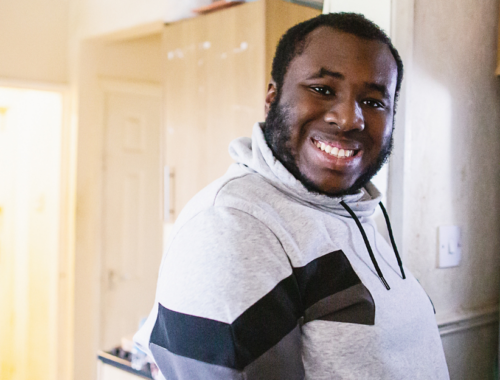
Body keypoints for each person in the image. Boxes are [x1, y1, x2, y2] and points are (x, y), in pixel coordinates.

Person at [134, 13, 449, 380]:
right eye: (323, 89)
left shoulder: (350, 210)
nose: (350, 119)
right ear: (272, 98)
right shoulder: (234, 225)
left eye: (374, 102)